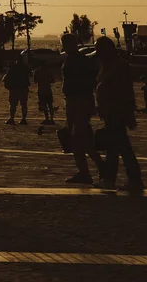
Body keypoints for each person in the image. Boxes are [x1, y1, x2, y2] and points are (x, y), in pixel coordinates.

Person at [94, 37, 144, 192]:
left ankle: (123, 179)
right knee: (117, 146)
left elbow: (126, 92)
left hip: (117, 111)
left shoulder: (119, 66)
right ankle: (119, 179)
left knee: (119, 146)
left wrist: (129, 113)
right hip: (111, 111)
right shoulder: (109, 65)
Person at [60, 33, 98, 185]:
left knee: (78, 137)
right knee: (78, 137)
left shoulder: (80, 60)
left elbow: (89, 80)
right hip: (73, 100)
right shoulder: (72, 59)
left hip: (80, 100)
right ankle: (86, 170)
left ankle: (94, 168)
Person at [3, 52, 31, 125]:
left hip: (14, 88)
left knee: (13, 104)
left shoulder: (13, 68)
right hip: (24, 88)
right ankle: (23, 119)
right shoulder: (25, 68)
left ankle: (12, 118)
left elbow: (6, 78)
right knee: (24, 104)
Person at [33, 60, 57, 125]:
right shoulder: (48, 71)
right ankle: (51, 119)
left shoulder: (37, 71)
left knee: (44, 105)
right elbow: (53, 80)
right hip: (48, 89)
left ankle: (47, 119)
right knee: (50, 105)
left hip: (41, 90)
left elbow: (35, 81)